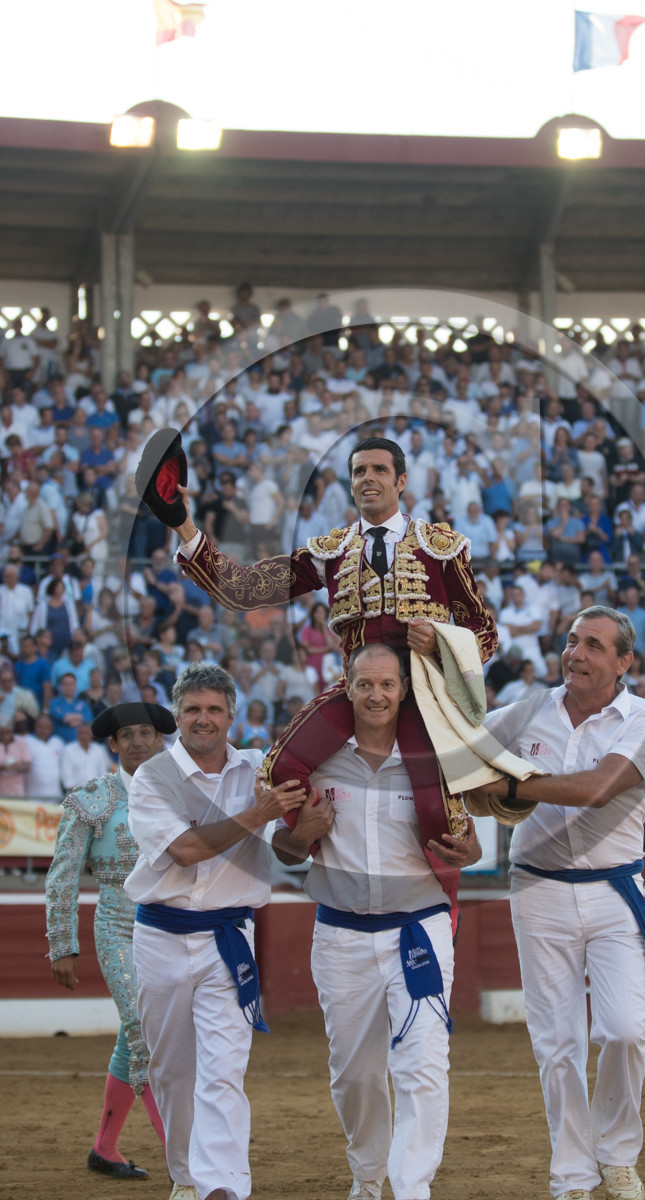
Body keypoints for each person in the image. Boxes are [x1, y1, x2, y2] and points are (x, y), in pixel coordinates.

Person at [136, 432, 497, 919]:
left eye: (378, 470)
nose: (367, 479)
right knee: (281, 768)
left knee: (438, 816)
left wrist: (442, 643)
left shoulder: (442, 548)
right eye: (358, 472)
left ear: (402, 481)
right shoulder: (331, 552)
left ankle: (441, 916)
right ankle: (306, 843)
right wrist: (184, 526)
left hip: (422, 694)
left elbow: (484, 631)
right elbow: (245, 588)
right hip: (358, 691)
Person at [471, 606, 645, 1200]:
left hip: (614, 892)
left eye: (593, 645)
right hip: (538, 889)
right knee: (557, 1044)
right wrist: (484, 799)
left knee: (625, 1029)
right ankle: (573, 1176)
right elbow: (464, 761)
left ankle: (616, 1153)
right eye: (571, 641)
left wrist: (509, 786)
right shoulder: (527, 710)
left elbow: (597, 787)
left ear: (624, 662)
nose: (576, 654)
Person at [272, 644, 481, 1200]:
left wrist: (469, 850)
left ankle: (412, 1189)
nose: (376, 695)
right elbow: (285, 849)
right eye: (365, 684)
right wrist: (300, 833)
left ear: (404, 690)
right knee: (355, 1074)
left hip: (420, 927)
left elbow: (471, 840)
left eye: (387, 685)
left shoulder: (434, 760)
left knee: (423, 1067)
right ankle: (367, 1179)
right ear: (346, 686)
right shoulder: (316, 763)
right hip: (339, 933)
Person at [125, 663, 307, 1200]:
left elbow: (290, 846)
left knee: (224, 1069)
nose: (203, 720)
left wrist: (307, 830)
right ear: (176, 718)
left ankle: (221, 1187)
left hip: (229, 937)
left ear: (231, 715)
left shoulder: (258, 768)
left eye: (213, 710)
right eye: (192, 711)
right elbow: (185, 851)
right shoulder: (152, 778)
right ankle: (186, 1176)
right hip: (160, 937)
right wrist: (259, 813)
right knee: (173, 1071)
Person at [45, 702, 175, 1180]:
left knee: (135, 1033)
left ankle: (105, 1148)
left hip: (172, 927)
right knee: (148, 1032)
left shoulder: (180, 789)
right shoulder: (91, 798)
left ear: (160, 740)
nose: (138, 741)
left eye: (146, 732)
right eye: (128, 735)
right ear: (113, 744)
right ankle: (185, 1160)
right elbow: (61, 875)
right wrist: (62, 944)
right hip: (118, 926)